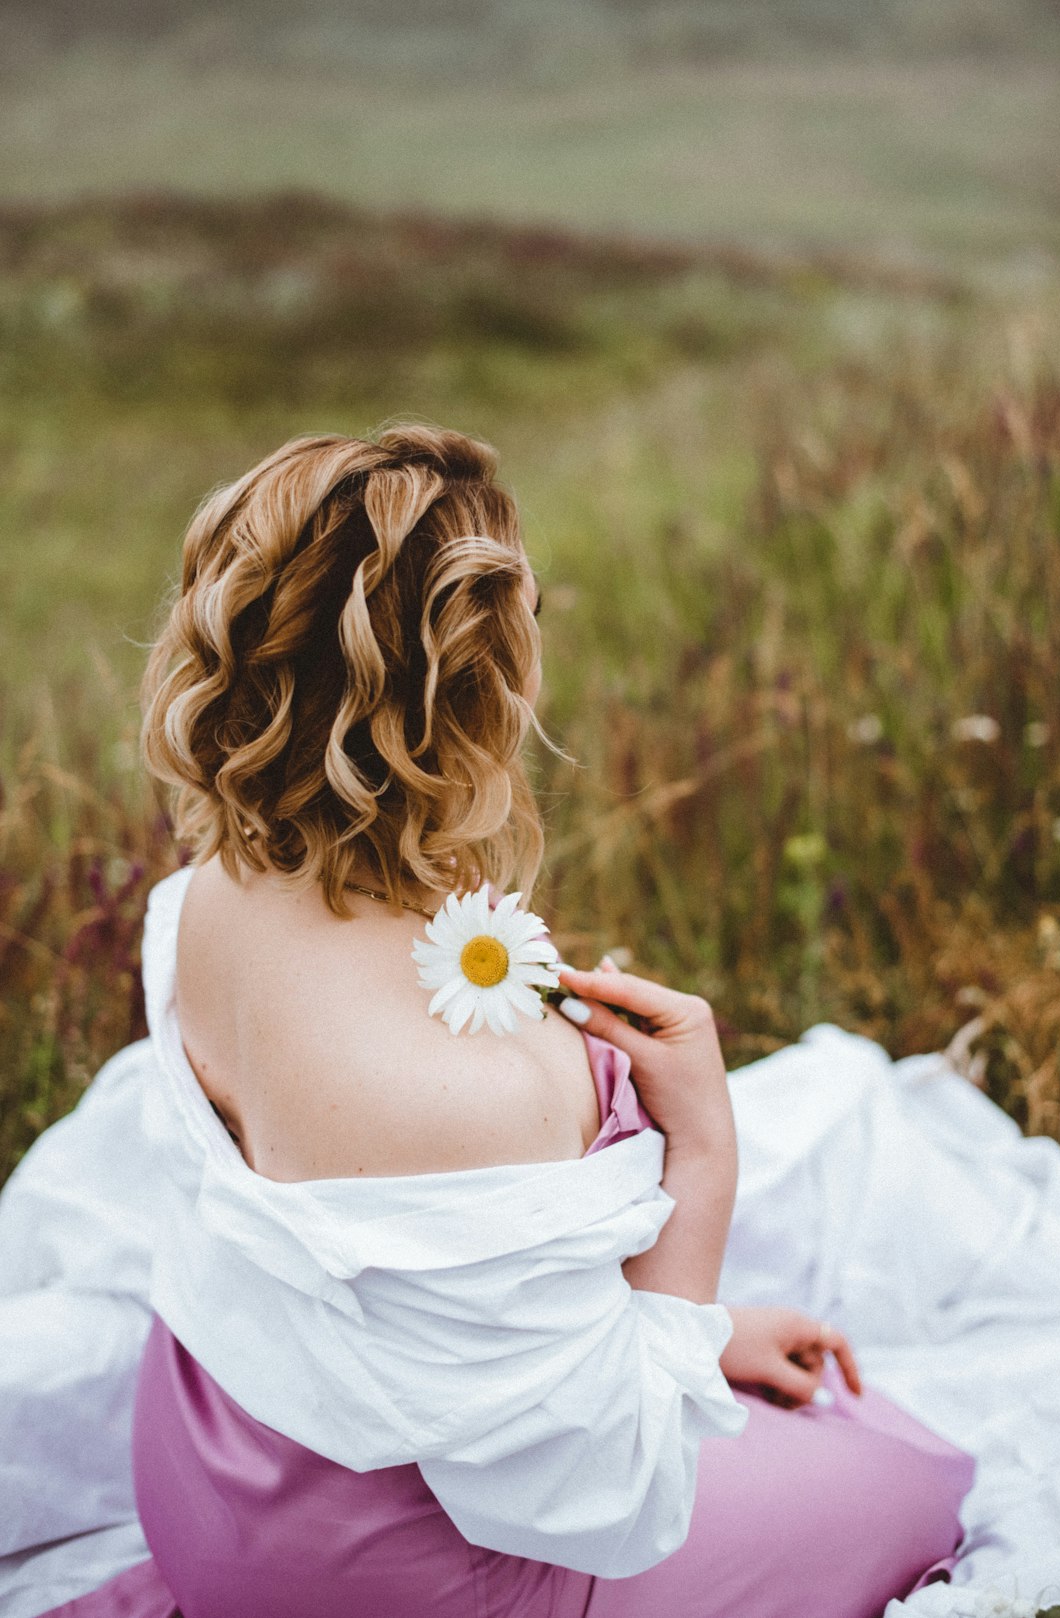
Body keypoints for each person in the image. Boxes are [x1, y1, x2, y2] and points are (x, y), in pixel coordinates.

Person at [1, 425, 982, 1618]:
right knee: (911, 1482)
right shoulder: (470, 1091)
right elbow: (617, 1491)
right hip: (392, 1581)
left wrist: (685, 1332)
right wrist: (704, 1153)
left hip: (209, 1477)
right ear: (476, 695)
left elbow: (389, 1283)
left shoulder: (215, 892)